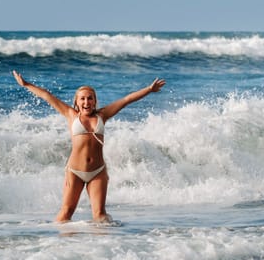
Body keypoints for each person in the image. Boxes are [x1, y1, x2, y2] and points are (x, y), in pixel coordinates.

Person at [13, 71, 166, 223]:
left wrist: (149, 89)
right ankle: (58, 245)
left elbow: (126, 100)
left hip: (98, 172)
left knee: (100, 216)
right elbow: (47, 96)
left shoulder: (102, 115)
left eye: (90, 98)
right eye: (83, 99)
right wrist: (26, 84)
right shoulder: (70, 114)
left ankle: (101, 245)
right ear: (77, 103)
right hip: (75, 172)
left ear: (95, 101)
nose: (86, 102)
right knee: (66, 213)